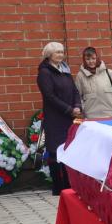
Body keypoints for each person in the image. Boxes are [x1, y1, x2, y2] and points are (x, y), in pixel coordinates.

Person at [36, 42, 82, 195]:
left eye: (62, 52)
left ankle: (69, 185)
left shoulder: (65, 70)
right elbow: (49, 96)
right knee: (55, 152)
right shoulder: (44, 73)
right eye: (57, 52)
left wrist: (77, 106)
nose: (61, 55)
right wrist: (69, 109)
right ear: (49, 55)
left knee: (67, 150)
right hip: (55, 118)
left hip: (69, 118)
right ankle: (58, 187)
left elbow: (74, 90)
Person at [73, 47, 112, 120]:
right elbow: (77, 96)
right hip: (91, 118)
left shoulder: (110, 73)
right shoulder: (80, 76)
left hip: (111, 116)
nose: (91, 61)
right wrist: (84, 109)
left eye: (93, 58)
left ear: (97, 58)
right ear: (84, 60)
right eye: (88, 59)